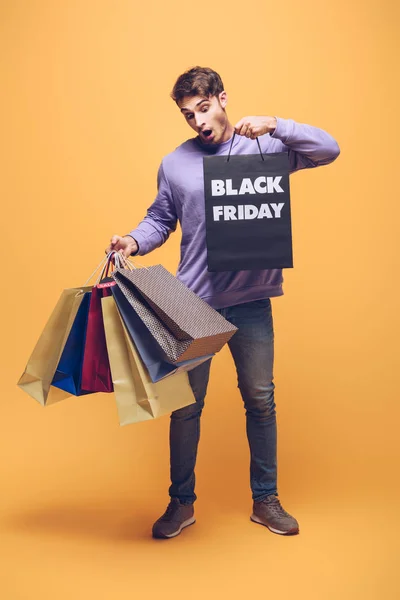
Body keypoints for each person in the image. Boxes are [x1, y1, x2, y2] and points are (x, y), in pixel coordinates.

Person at [106, 66, 340, 539]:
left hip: (252, 300)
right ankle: (180, 504)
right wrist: (132, 241)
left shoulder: (265, 148)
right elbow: (159, 219)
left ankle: (266, 500)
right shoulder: (175, 163)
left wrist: (276, 124)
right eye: (188, 115)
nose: (198, 121)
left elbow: (328, 149)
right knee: (186, 407)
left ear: (222, 98)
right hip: (191, 303)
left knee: (260, 400)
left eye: (205, 108)